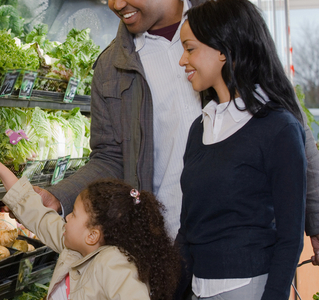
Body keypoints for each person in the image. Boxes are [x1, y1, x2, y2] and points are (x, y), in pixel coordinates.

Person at [34, 0, 319, 265]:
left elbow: (291, 129)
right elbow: (109, 157)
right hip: (164, 250)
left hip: (245, 243)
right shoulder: (110, 67)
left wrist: (316, 219)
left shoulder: (226, 27)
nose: (116, 5)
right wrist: (60, 197)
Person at [175, 1, 306, 299]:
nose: (182, 60)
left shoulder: (278, 128)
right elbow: (188, 227)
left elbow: (290, 238)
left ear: (223, 50)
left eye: (190, 48)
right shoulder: (201, 127)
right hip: (196, 287)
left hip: (247, 288)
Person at [0, 152, 180, 300]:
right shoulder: (73, 247)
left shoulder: (113, 263)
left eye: (73, 213)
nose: (67, 217)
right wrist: (3, 172)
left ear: (92, 235)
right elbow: (41, 217)